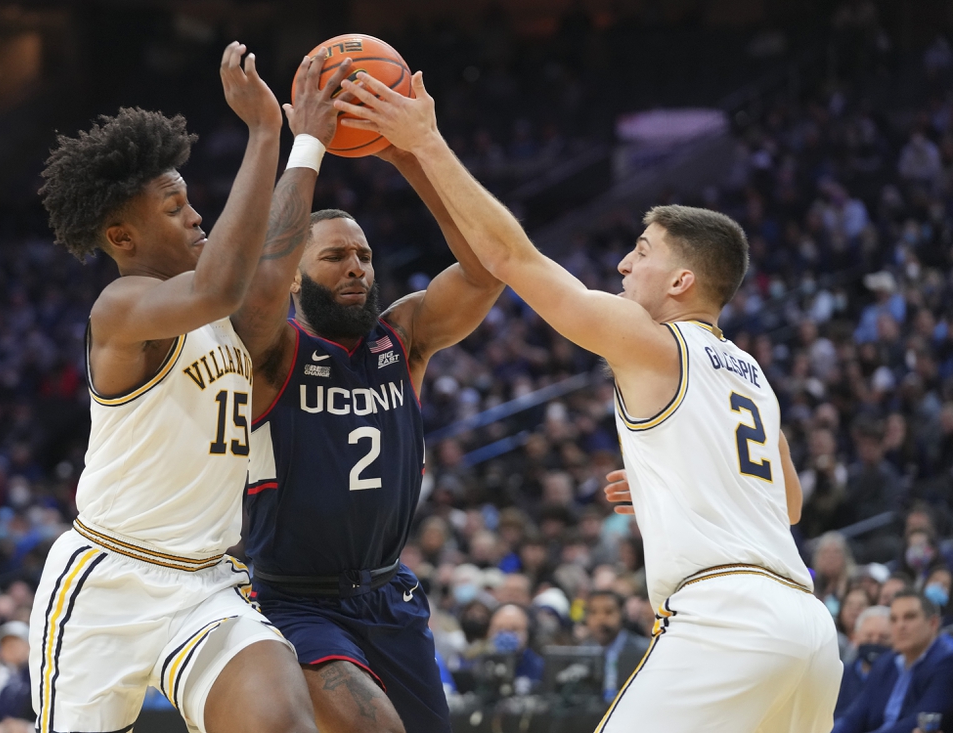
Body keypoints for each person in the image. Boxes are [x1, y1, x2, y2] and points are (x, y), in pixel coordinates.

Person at [336, 71, 841, 731]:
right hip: (808, 628)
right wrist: (684, 477)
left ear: (683, 279)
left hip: (729, 623)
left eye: (641, 252)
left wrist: (426, 144)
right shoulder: (750, 370)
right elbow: (790, 502)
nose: (625, 266)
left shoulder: (655, 340)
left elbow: (512, 257)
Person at [27, 42, 317, 733]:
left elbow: (263, 268)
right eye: (175, 206)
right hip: (108, 583)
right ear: (123, 234)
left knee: (280, 719)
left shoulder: (222, 313)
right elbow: (220, 281)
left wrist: (308, 146)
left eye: (192, 201)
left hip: (206, 583)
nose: (196, 216)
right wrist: (264, 132)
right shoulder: (121, 309)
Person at [235, 51, 503, 733]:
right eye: (334, 257)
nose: (356, 267)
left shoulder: (401, 338)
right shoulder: (272, 352)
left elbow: (486, 268)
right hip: (293, 600)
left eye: (363, 256)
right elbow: (262, 277)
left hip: (387, 592)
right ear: (295, 276)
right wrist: (310, 143)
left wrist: (411, 154)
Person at [832, 591, 953, 733]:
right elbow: (854, 717)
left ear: (933, 623)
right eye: (894, 619)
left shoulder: (946, 662)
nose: (900, 625)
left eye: (910, 617)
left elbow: (920, 722)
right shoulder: (885, 663)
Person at [580, 591, 652, 706]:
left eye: (608, 612)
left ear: (622, 614)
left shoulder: (644, 649)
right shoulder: (581, 653)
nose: (601, 619)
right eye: (593, 613)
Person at [836, 605, 892, 717]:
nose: (875, 642)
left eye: (883, 638)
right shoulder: (839, 676)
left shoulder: (900, 679)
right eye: (869, 637)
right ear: (856, 638)